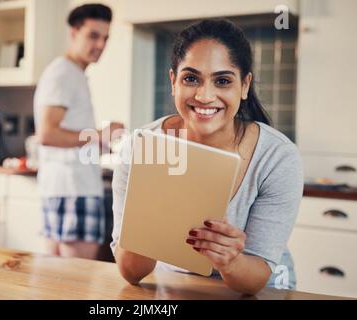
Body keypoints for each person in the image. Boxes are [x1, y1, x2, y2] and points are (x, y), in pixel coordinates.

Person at [110, 19, 303, 295]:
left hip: (260, 290)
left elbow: (254, 281)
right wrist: (149, 219)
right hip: (176, 286)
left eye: (222, 81)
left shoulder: (277, 158)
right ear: (173, 82)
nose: (204, 95)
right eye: (191, 78)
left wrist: (232, 261)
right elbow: (131, 272)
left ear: (245, 85)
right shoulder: (142, 148)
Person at [34, 3, 124, 260]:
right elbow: (47, 134)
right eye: (93, 35)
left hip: (64, 188)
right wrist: (99, 134)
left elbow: (65, 134)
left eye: (105, 38)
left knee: (56, 282)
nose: (100, 45)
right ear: (74, 32)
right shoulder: (63, 73)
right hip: (74, 190)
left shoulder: (73, 74)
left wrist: (101, 143)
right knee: (79, 281)